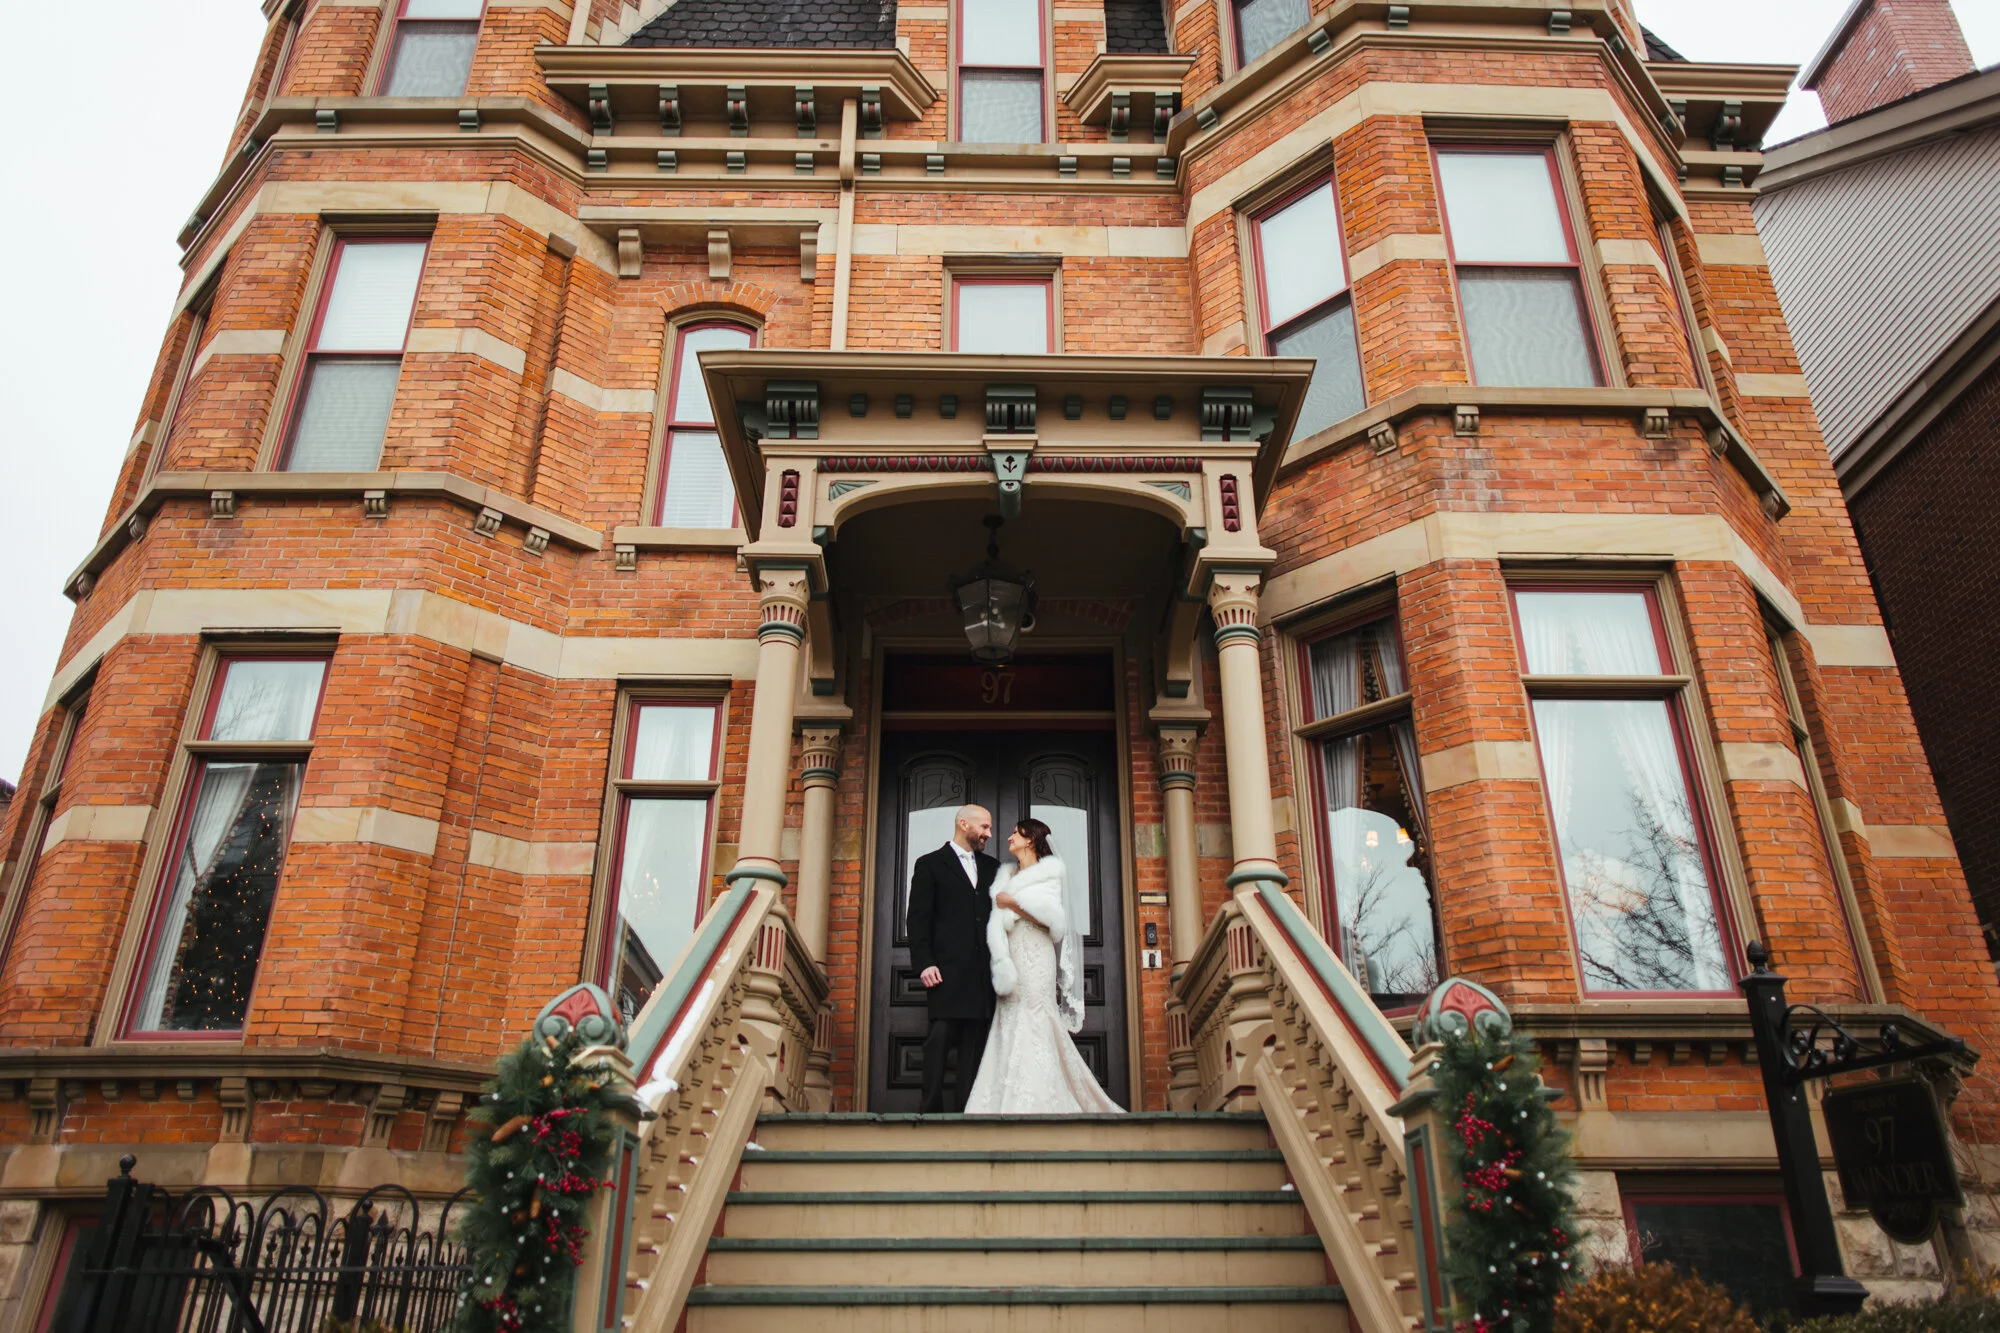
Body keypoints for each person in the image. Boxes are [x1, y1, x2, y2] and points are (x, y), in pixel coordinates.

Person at [964, 817, 1122, 1114]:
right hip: (1012, 956)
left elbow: (1053, 921)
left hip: (1036, 955)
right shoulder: (1006, 876)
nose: (1009, 837)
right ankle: (1001, 1100)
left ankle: (1039, 1100)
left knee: (1035, 1017)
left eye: (1015, 833)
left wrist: (1013, 904)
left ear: (1030, 839)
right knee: (1009, 1017)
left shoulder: (1048, 874)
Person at [905, 804, 999, 1113]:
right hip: (944, 971)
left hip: (982, 974)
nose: (988, 833)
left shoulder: (993, 868)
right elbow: (918, 919)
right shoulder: (930, 864)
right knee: (939, 1041)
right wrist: (924, 962)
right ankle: (929, 1111)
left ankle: (966, 1112)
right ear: (963, 824)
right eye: (983, 827)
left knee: (974, 1048)